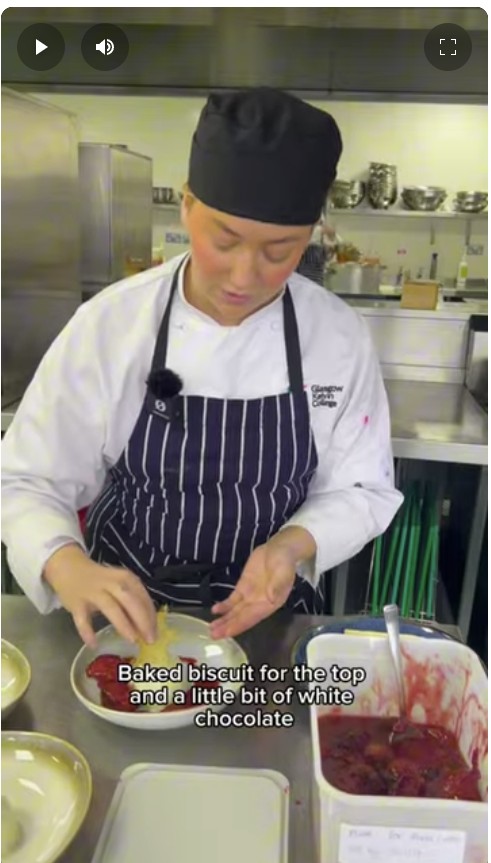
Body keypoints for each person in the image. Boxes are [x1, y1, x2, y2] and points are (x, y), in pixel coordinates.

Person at [1, 87, 403, 648]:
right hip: (125, 621)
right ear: (188, 206)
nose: (244, 276)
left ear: (311, 236)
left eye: (278, 251)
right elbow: (26, 478)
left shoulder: (336, 336)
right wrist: (68, 565)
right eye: (226, 239)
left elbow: (363, 486)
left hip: (268, 620)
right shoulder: (113, 323)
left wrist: (291, 546)